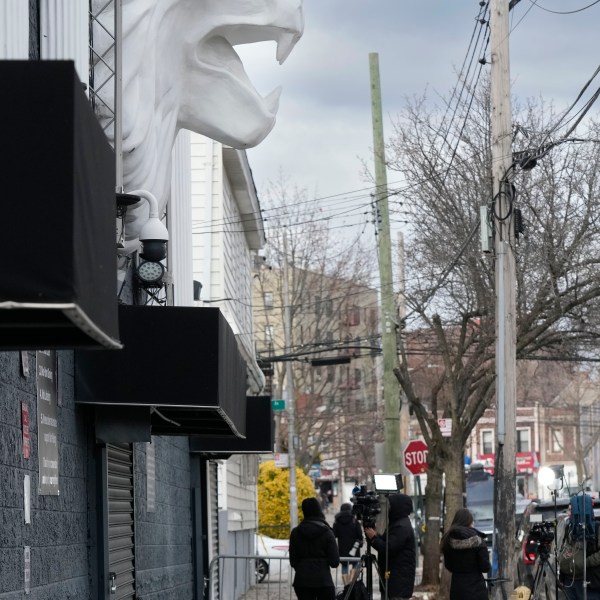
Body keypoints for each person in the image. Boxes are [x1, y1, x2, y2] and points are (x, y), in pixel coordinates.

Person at [364, 493, 416, 600]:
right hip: (394, 579)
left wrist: (373, 539)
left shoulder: (401, 526)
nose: (389, 509)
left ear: (398, 507)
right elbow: (388, 541)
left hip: (398, 583)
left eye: (391, 505)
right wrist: (375, 535)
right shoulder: (398, 523)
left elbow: (388, 548)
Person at [289, 497, 340, 600]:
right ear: (318, 509)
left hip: (301, 581)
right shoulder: (327, 532)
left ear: (303, 511)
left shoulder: (295, 532)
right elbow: (334, 562)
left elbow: (293, 561)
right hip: (323, 581)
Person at [440, 508, 491, 600]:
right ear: (470, 522)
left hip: (457, 589)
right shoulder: (478, 540)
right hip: (476, 590)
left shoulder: (447, 540)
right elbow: (485, 567)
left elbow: (448, 566)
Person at [333, 502, 363, 584]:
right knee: (355, 565)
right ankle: (352, 585)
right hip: (354, 549)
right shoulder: (355, 520)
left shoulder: (337, 521)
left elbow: (334, 535)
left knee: (344, 566)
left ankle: (346, 585)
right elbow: (360, 535)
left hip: (342, 549)